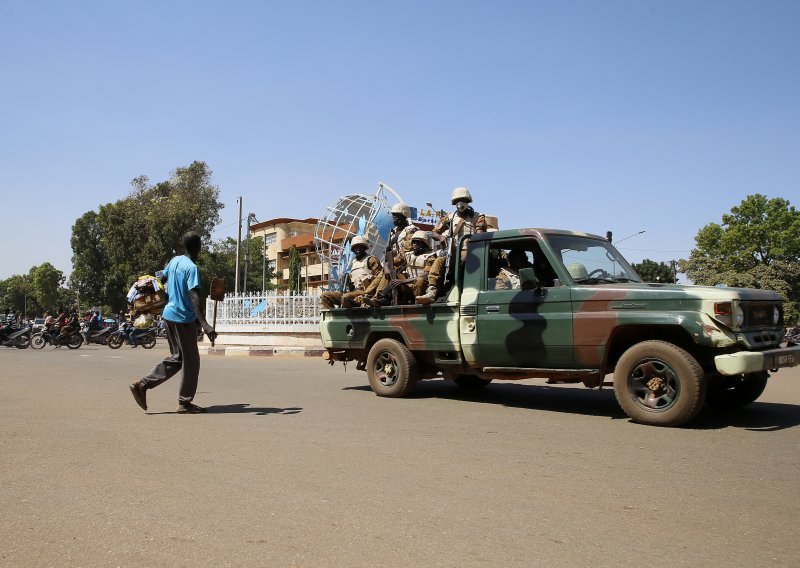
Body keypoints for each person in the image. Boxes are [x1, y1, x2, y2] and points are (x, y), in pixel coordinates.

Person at [129, 231, 218, 414]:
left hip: (168, 315)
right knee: (191, 362)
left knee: (177, 358)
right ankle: (184, 403)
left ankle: (143, 385)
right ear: (197, 247)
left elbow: (160, 281)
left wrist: (151, 301)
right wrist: (205, 324)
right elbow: (194, 297)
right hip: (182, 318)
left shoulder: (174, 261)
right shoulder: (192, 268)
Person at [362, 202, 419, 306]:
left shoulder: (411, 230)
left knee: (386, 271)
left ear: (404, 216)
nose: (393, 218)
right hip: (394, 264)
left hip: (406, 265)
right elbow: (390, 252)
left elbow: (407, 252)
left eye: (396, 216)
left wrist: (389, 265)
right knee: (380, 275)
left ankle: (379, 297)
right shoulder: (393, 232)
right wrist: (387, 264)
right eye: (393, 216)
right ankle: (366, 296)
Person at [320, 236, 381, 309]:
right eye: (355, 247)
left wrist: (370, 290)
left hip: (366, 293)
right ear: (352, 249)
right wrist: (347, 279)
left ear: (364, 248)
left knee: (345, 297)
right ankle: (334, 318)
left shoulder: (371, 260)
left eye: (360, 246)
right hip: (354, 292)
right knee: (325, 296)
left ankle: (352, 314)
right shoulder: (354, 262)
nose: (357, 249)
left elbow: (380, 277)